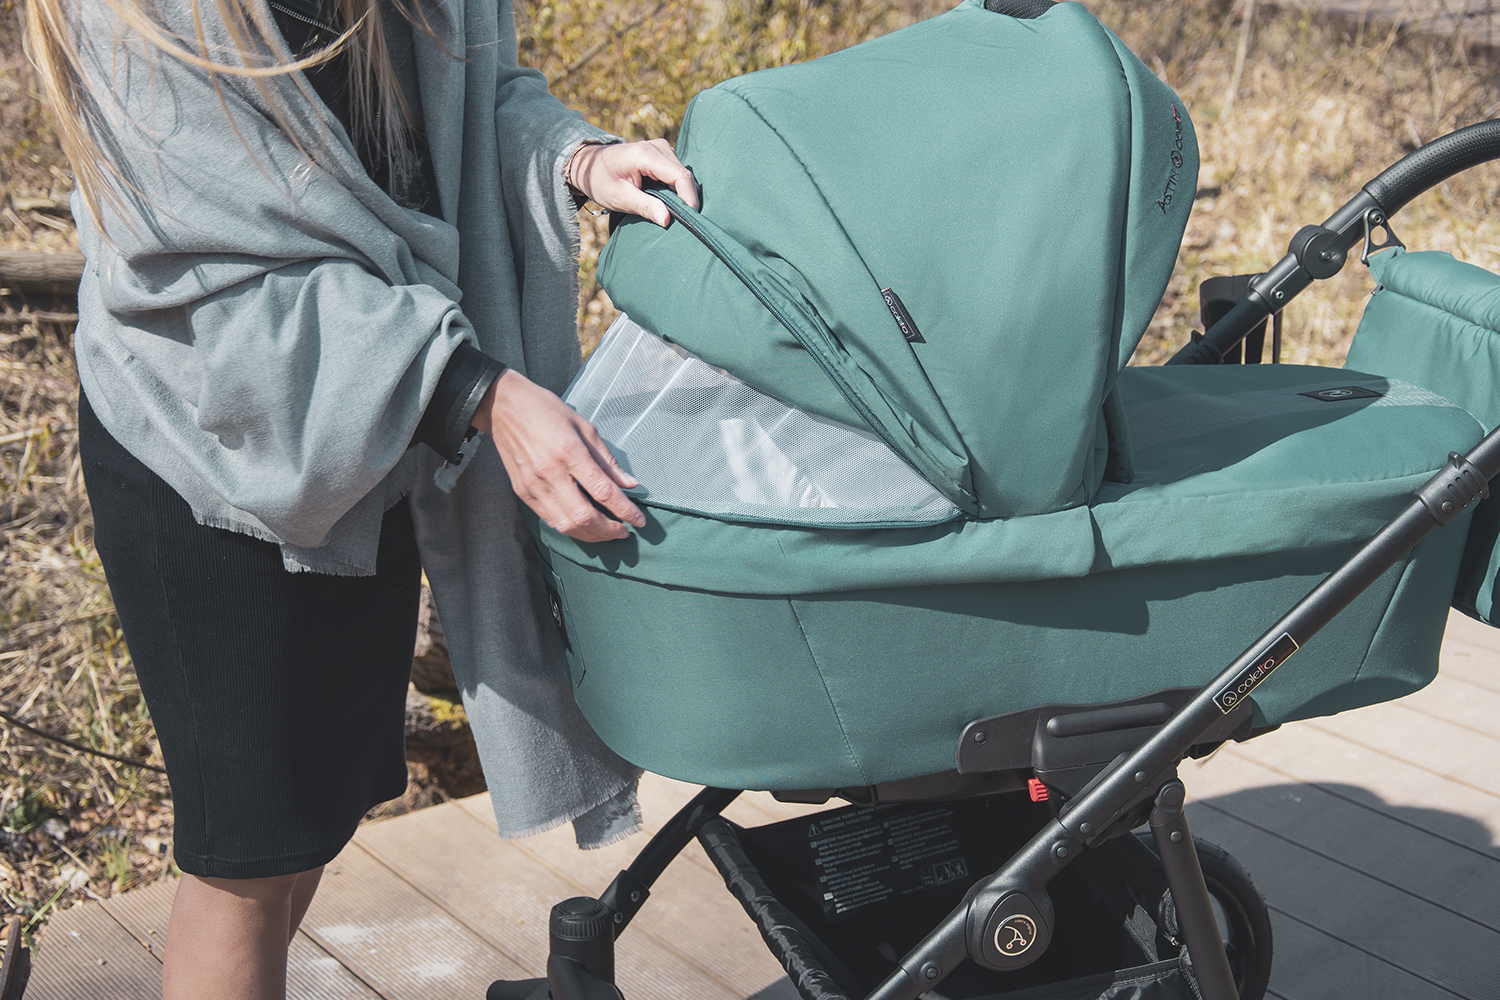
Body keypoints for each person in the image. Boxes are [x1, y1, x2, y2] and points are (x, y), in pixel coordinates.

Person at [24, 0, 697, 996]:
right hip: (211, 452)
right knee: (245, 863)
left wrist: (576, 158)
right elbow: (216, 278)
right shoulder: (128, 20)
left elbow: (463, 106)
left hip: (364, 434)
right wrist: (481, 394)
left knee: (309, 827)